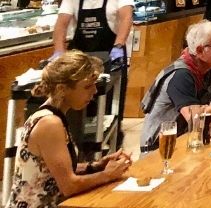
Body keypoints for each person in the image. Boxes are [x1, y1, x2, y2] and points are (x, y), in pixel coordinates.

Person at [4, 52, 131, 208]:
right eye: (87, 86)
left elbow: (54, 169)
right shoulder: (50, 123)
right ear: (62, 89)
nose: (95, 91)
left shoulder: (52, 116)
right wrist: (107, 175)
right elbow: (69, 185)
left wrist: (96, 166)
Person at [140, 21, 211, 151]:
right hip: (160, 150)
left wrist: (207, 112)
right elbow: (196, 121)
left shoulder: (210, 71)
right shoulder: (180, 76)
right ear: (200, 50)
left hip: (188, 141)